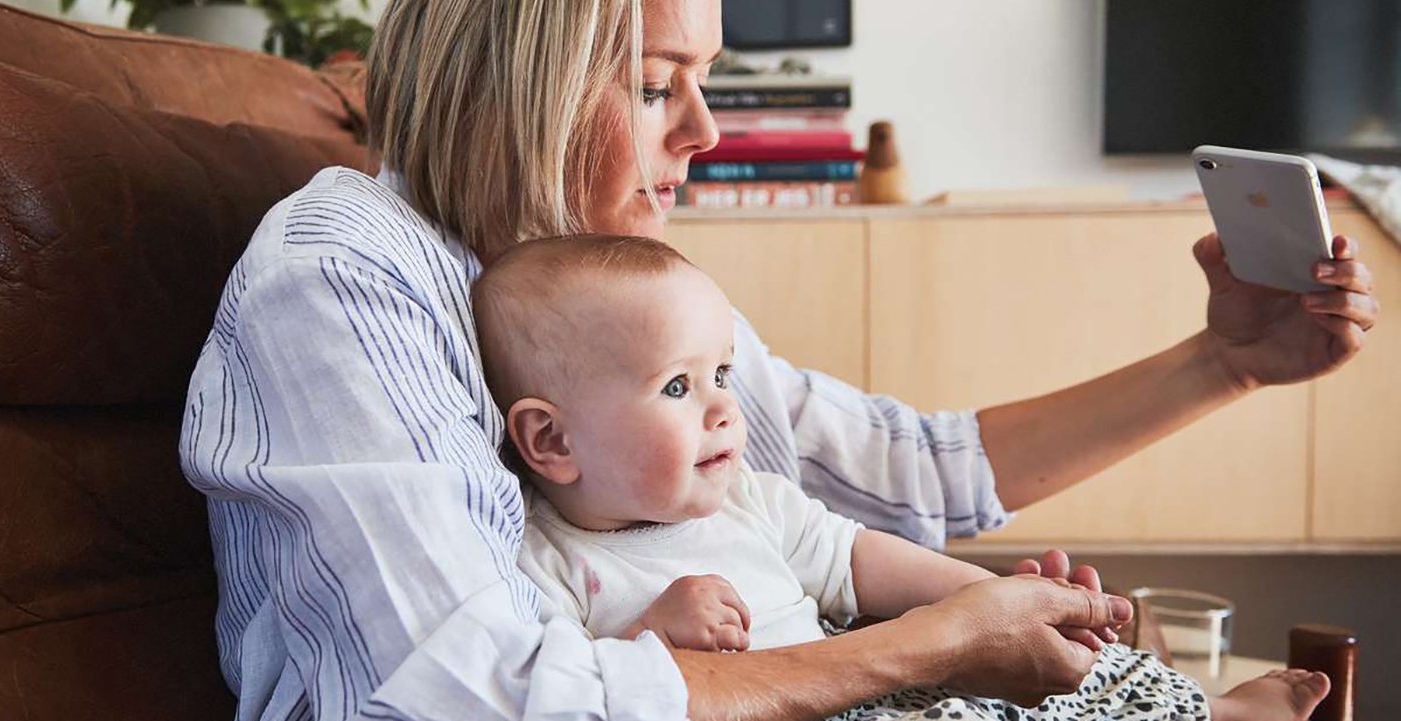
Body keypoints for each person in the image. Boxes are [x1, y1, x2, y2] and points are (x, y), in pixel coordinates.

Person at [177, 0, 1380, 718]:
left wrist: (1222, 364)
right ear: (518, 86)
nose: (705, 131)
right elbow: (484, 697)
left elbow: (893, 470)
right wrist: (931, 645)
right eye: (659, 87)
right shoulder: (347, 270)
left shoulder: (615, 292)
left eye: (708, 83)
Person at [475, 233, 1332, 721]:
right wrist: (653, 637)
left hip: (882, 687)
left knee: (1085, 674)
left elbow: (861, 559)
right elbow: (573, 694)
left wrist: (1002, 599)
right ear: (551, 439)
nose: (722, 410)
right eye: (676, 385)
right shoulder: (547, 557)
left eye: (724, 375)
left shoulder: (748, 498)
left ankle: (1212, 714)